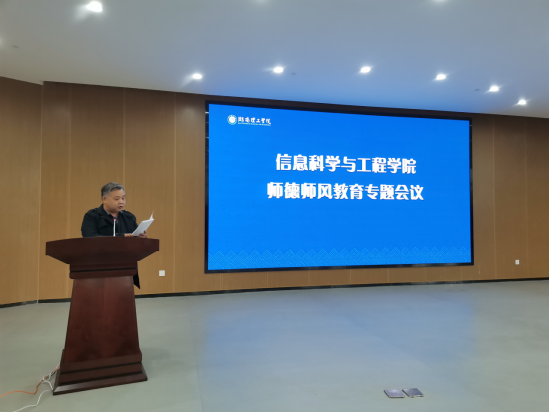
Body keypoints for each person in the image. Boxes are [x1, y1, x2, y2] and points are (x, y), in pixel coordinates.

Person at [81, 182, 146, 288]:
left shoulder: (129, 217)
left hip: (126, 267)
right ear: (104, 199)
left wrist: (141, 238)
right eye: (117, 199)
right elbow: (89, 238)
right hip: (99, 266)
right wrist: (121, 237)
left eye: (123, 198)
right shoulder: (92, 216)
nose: (121, 202)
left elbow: (135, 240)